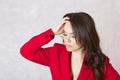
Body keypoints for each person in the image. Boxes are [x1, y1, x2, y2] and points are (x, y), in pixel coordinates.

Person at [20, 12, 120, 80]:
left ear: (86, 36)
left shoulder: (99, 61)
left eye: (73, 36)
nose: (66, 40)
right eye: (64, 34)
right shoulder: (55, 53)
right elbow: (26, 51)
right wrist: (52, 32)